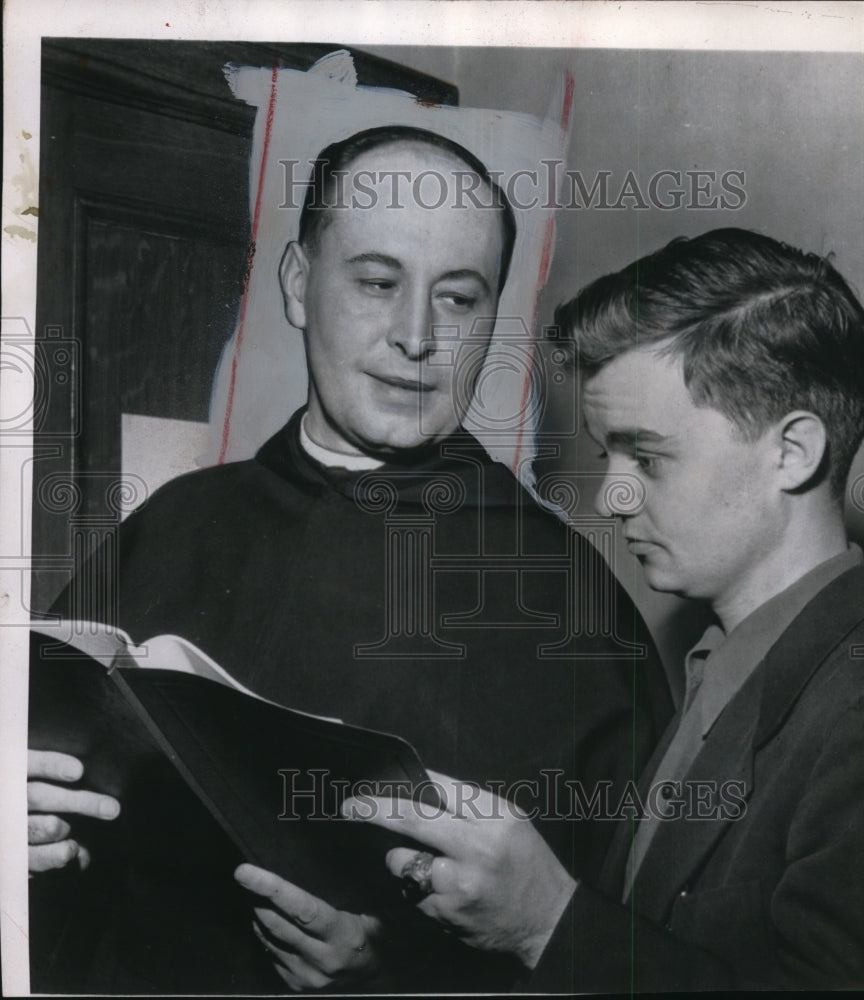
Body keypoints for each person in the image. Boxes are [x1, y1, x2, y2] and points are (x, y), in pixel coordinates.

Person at [27, 126, 670, 993]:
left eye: (457, 299)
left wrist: (396, 977)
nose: (416, 337)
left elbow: (618, 950)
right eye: (376, 283)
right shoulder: (176, 521)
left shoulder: (568, 601)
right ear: (298, 285)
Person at [351, 227, 864, 990]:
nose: (611, 495)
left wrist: (546, 922)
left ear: (791, 453)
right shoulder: (724, 664)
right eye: (609, 456)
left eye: (648, 456)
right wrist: (384, 959)